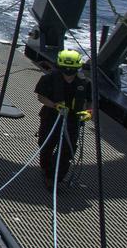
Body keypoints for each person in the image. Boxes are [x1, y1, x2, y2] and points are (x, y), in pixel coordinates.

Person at [34, 49, 92, 190]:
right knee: (46, 145)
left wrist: (89, 113)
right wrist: (55, 105)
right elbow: (41, 97)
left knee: (67, 150)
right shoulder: (49, 79)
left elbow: (90, 101)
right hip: (51, 117)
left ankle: (54, 179)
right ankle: (47, 170)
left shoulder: (84, 83)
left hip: (73, 121)